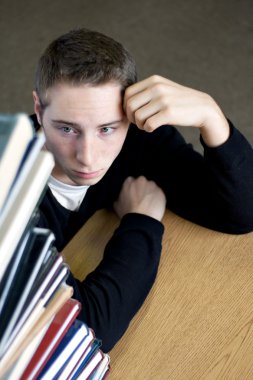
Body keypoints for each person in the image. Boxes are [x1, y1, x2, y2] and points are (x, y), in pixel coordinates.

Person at [31, 28, 253, 352]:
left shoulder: (137, 139)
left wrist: (211, 116)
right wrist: (141, 222)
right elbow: (85, 331)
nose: (88, 156)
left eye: (107, 128)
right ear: (39, 110)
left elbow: (240, 212)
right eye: (67, 128)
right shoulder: (13, 191)